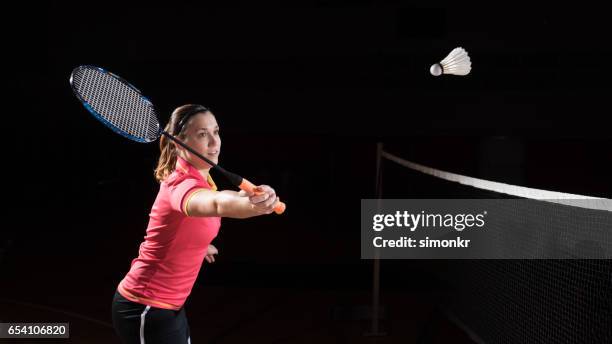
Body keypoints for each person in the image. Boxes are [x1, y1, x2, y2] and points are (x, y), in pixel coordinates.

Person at [111, 104, 279, 343]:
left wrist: (198, 247)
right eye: (202, 135)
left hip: (170, 306)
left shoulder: (202, 177)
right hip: (144, 306)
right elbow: (218, 203)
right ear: (180, 143)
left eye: (216, 131)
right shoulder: (181, 185)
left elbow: (194, 220)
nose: (214, 142)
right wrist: (254, 206)